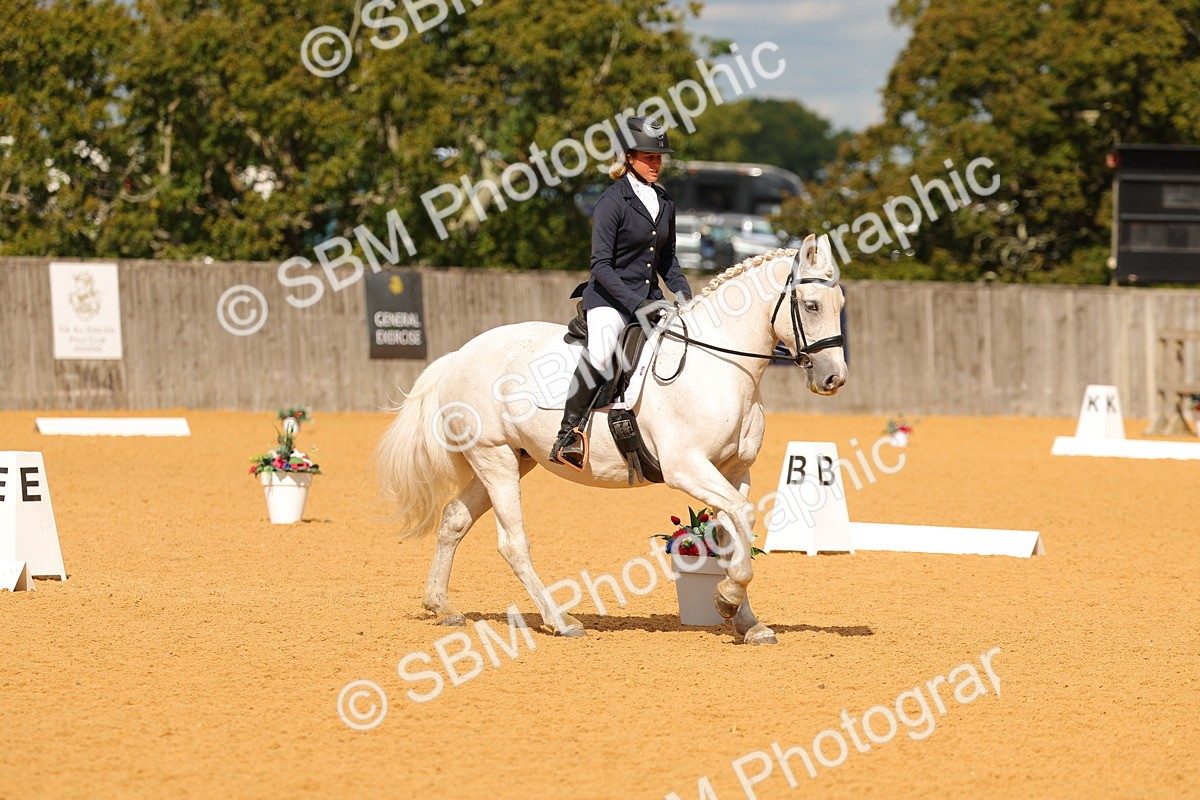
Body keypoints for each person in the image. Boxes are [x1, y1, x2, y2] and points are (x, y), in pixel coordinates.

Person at [549, 116, 693, 470]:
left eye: (659, 158)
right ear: (628, 157)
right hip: (609, 300)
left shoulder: (664, 201)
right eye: (649, 158)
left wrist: (683, 291)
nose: (656, 164)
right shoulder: (612, 202)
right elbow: (600, 265)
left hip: (649, 299)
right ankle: (567, 434)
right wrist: (636, 303)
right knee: (600, 354)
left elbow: (667, 258)